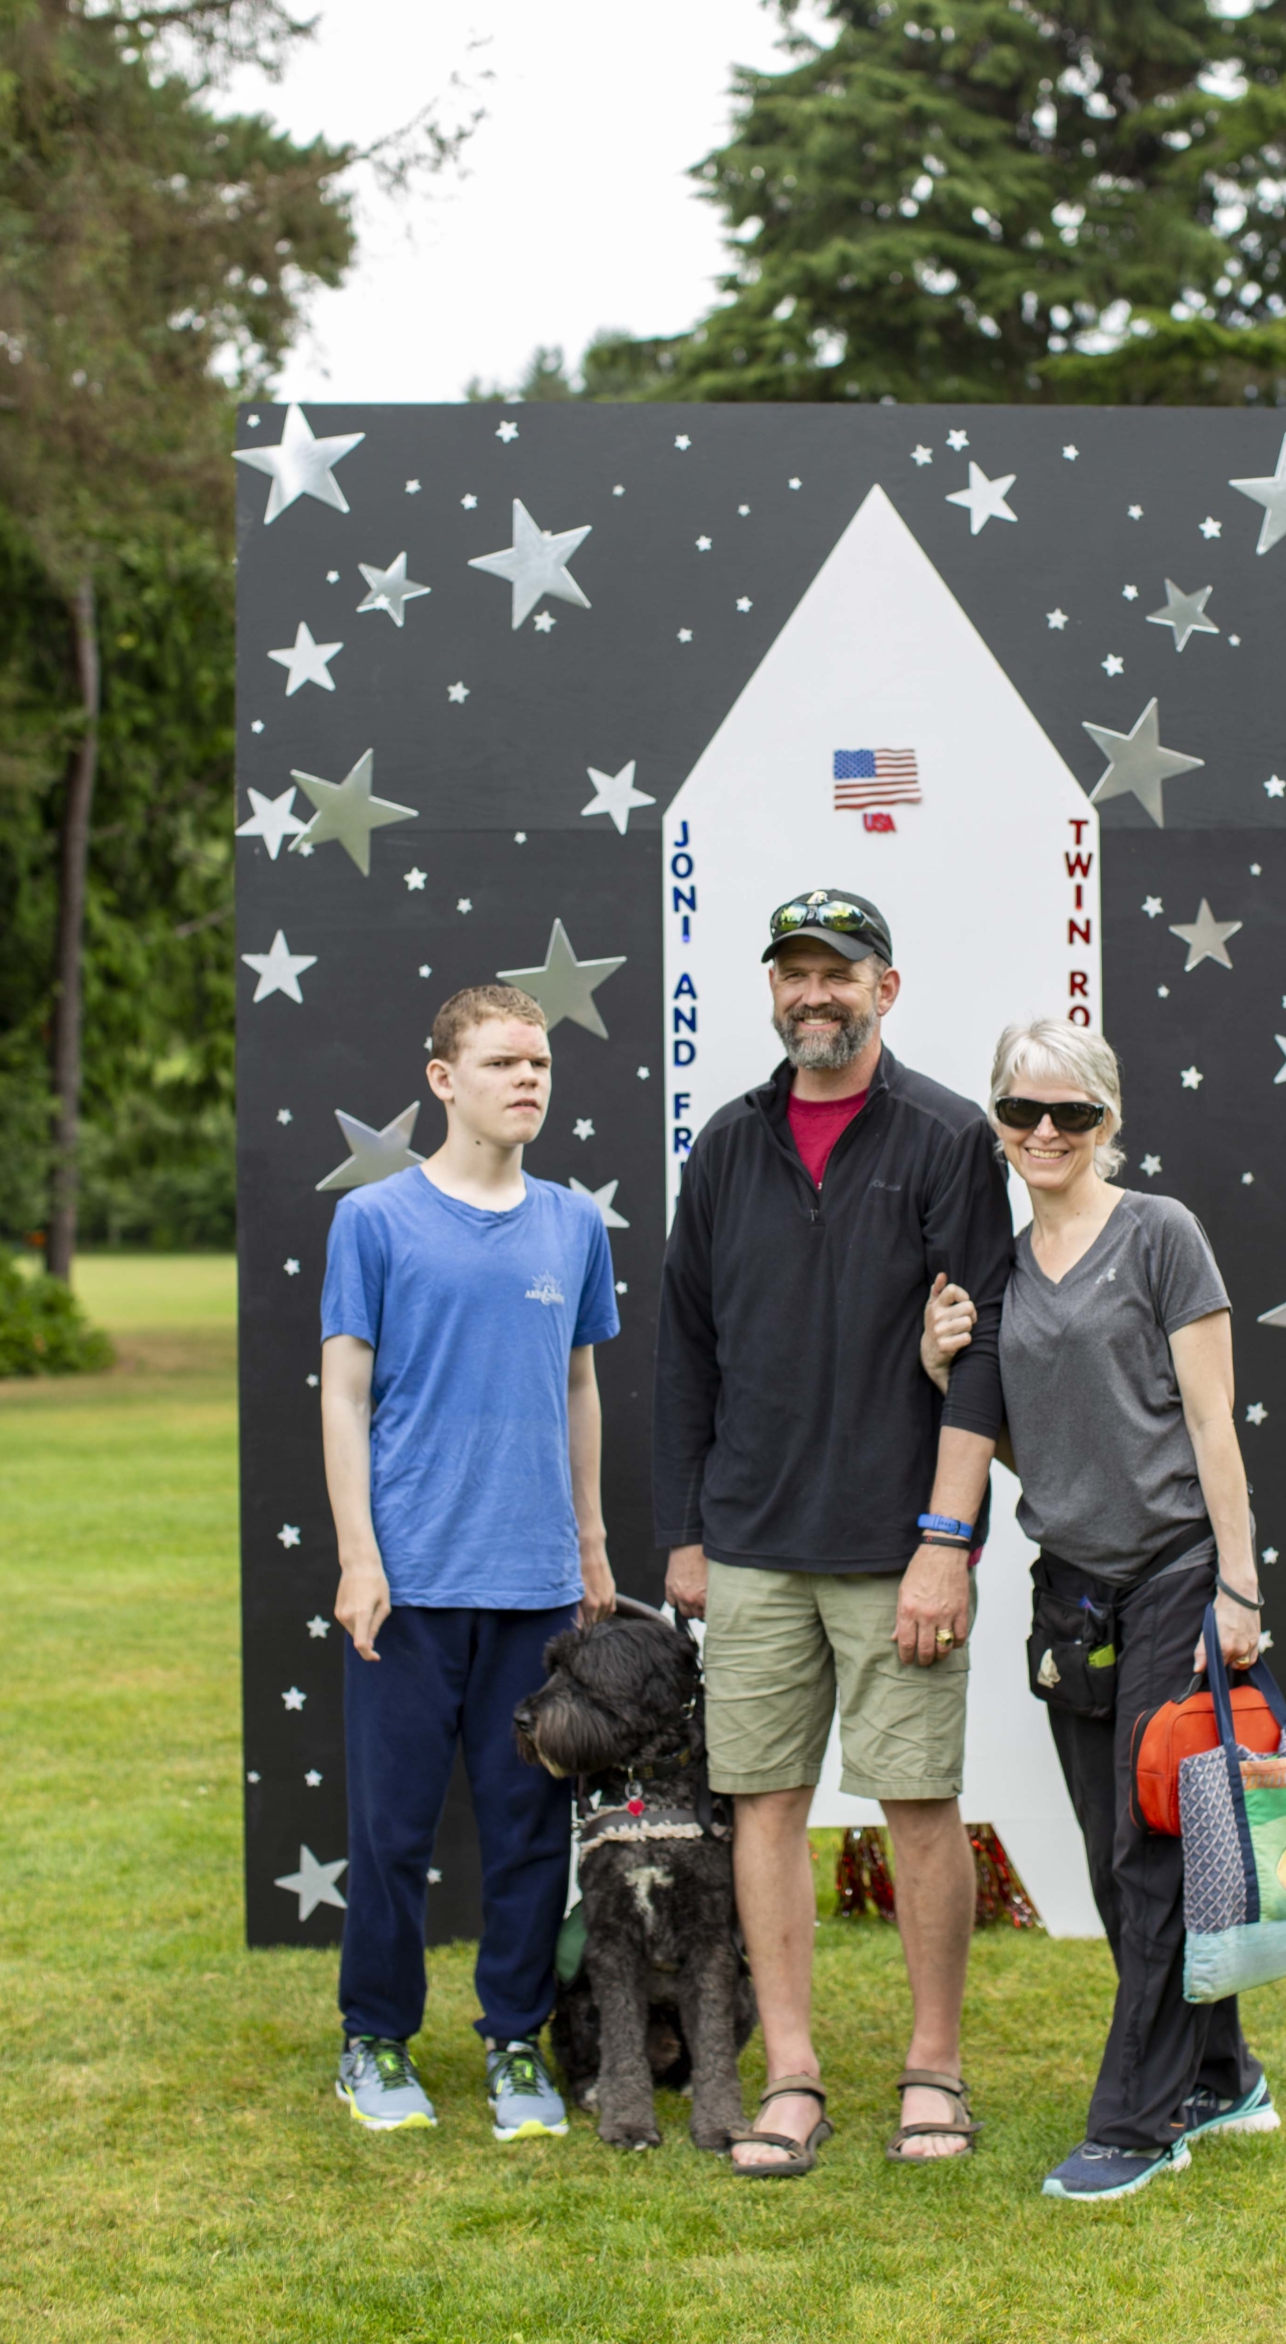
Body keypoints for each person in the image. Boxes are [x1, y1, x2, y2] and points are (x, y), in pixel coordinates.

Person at [654, 889, 1012, 2176]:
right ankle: (792, 2075)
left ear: (886, 989)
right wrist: (683, 1529)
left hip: (892, 1546)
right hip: (748, 1545)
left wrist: (945, 1537)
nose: (817, 992)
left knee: (919, 1803)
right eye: (795, 972)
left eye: (840, 973)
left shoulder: (948, 1139)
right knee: (764, 1805)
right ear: (772, 990)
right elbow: (683, 1349)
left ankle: (934, 2067)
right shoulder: (729, 1146)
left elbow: (983, 1357)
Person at [921, 1017, 1275, 2204]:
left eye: (1070, 1113)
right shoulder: (1006, 1272)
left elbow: (1211, 1421)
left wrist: (1239, 1585)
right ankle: (1223, 2074)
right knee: (1114, 1853)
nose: (1044, 1132)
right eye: (1022, 1112)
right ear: (999, 1123)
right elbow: (1047, 1449)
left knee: (1150, 1849)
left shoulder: (1161, 1234)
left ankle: (1137, 2119)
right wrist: (945, 1377)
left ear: (1108, 1123)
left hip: (1177, 1574)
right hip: (1069, 1592)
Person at [319, 982, 619, 2139]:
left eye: (539, 1063)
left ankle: (513, 2044)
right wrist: (358, 1554)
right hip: (409, 1584)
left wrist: (590, 1546)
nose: (528, 1080)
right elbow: (345, 1397)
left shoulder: (573, 1224)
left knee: (529, 1832)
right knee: (392, 1830)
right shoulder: (377, 1221)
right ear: (444, 1079)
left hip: (536, 1586)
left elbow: (580, 1384)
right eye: (503, 1063)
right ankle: (374, 2039)